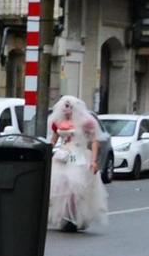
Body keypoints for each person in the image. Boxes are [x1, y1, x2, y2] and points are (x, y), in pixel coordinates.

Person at [46, 95, 108, 232]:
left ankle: (75, 215)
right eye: (64, 106)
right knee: (59, 185)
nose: (65, 109)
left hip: (78, 155)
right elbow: (53, 140)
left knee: (76, 186)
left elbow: (94, 141)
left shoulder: (86, 123)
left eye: (68, 106)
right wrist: (46, 150)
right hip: (63, 155)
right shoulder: (57, 123)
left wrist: (93, 160)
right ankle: (64, 216)